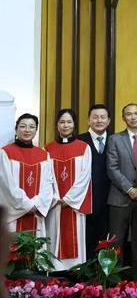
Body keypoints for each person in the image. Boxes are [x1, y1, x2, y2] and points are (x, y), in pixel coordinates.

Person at [106, 104, 137, 278]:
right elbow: (112, 168)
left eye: (136, 113)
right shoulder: (114, 139)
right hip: (119, 197)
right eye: (128, 114)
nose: (133, 117)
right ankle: (114, 282)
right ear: (123, 118)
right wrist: (129, 188)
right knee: (116, 242)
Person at [44, 109, 92, 270]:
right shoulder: (48, 149)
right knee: (54, 236)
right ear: (56, 125)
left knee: (74, 238)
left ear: (75, 125)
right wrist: (56, 197)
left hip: (74, 205)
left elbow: (85, 177)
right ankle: (54, 272)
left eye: (69, 122)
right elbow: (46, 177)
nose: (66, 125)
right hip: (55, 204)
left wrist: (69, 198)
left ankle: (75, 271)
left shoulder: (84, 148)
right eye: (62, 122)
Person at [0, 114, 54, 240]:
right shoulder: (5, 153)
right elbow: (6, 184)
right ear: (16, 129)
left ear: (36, 130)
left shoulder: (44, 155)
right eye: (23, 126)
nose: (27, 130)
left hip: (36, 213)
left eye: (32, 127)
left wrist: (37, 203)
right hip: (14, 215)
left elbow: (48, 183)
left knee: (36, 252)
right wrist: (28, 204)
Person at [76, 104, 111, 256]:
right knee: (85, 237)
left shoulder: (116, 139)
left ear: (108, 120)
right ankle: (83, 275)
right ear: (88, 120)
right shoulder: (78, 141)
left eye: (103, 117)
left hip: (110, 199)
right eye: (95, 117)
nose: (99, 120)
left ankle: (102, 276)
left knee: (106, 239)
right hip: (85, 198)